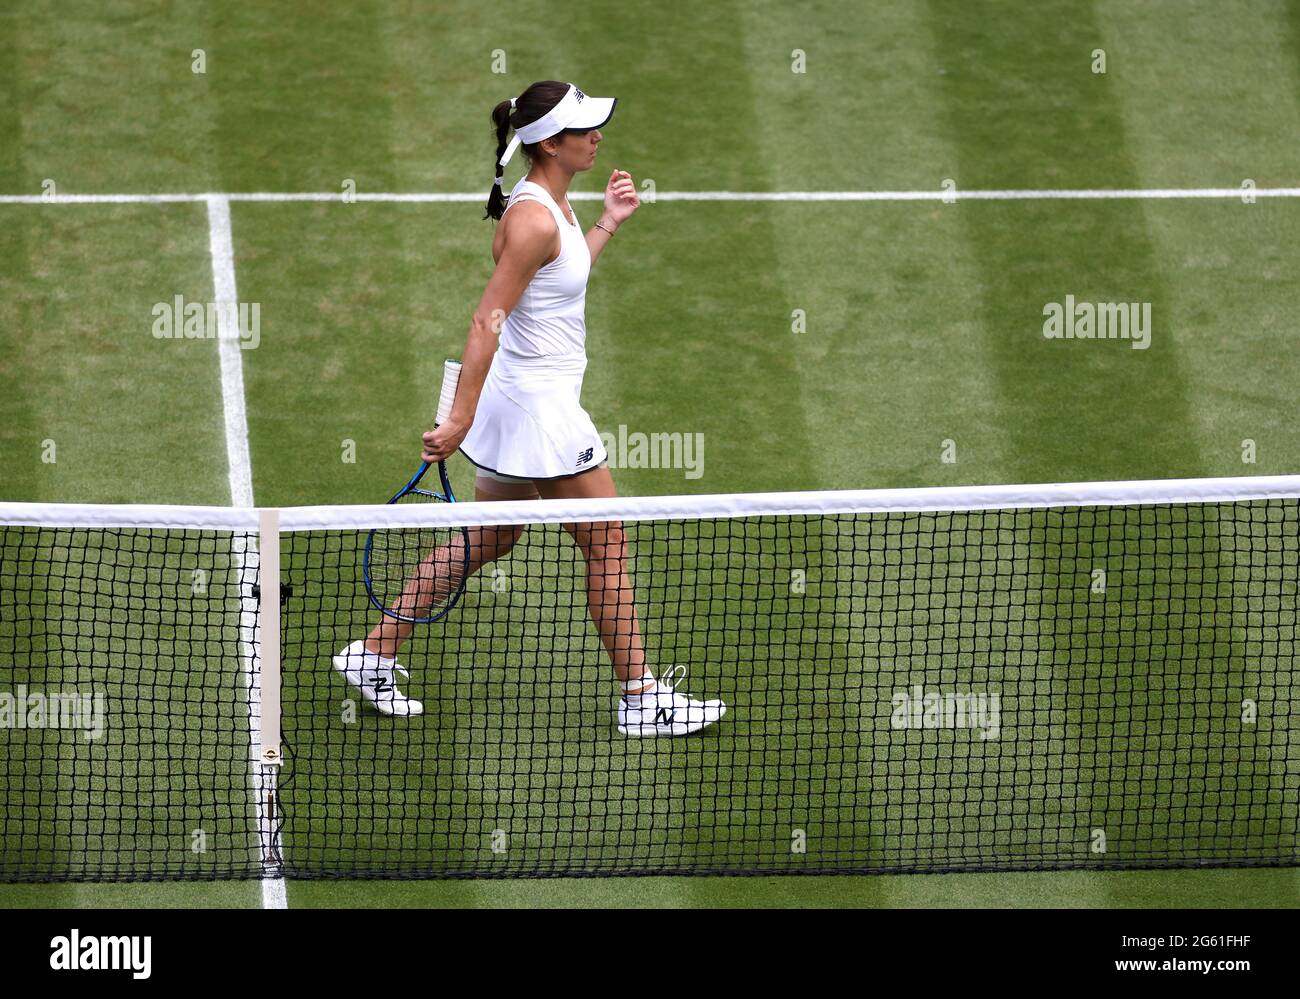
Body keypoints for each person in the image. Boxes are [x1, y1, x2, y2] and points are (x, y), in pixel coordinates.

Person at [335, 80, 726, 737]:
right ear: (549, 143)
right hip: (538, 409)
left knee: (490, 535)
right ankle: (641, 697)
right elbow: (488, 318)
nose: (597, 136)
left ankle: (373, 650)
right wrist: (458, 418)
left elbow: (559, 280)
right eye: (583, 129)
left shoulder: (552, 207)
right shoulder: (535, 217)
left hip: (523, 400)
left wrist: (607, 223)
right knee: (607, 542)